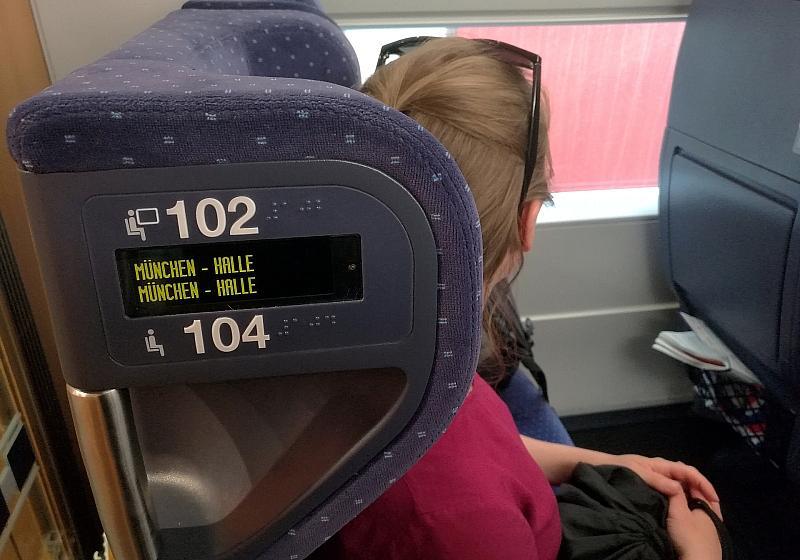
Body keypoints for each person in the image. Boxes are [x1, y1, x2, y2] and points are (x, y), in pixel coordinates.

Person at [311, 37, 723, 560]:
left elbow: (484, 441)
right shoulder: (461, 522)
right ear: (526, 221)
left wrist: (593, 462)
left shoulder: (403, 350)